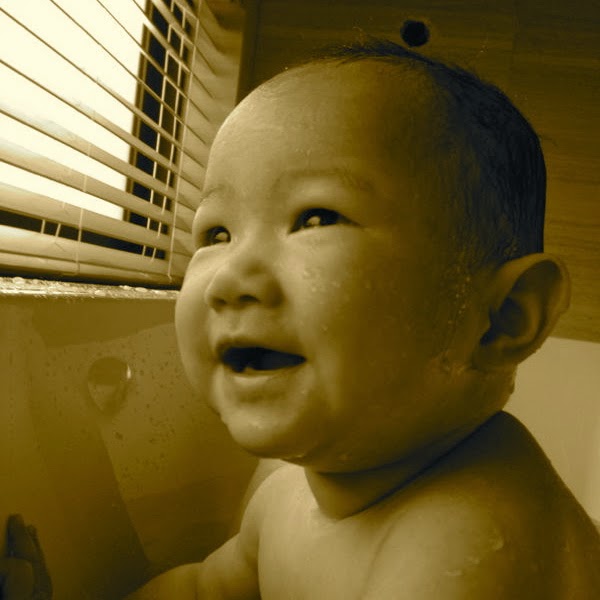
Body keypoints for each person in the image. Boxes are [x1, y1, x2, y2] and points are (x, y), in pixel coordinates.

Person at [3, 38, 599, 599]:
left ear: (503, 317)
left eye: (316, 218)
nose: (231, 278)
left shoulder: (471, 553)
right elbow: (205, 588)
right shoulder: (293, 487)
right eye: (216, 233)